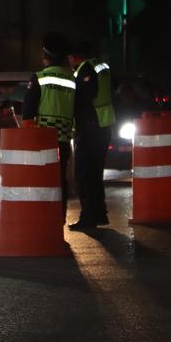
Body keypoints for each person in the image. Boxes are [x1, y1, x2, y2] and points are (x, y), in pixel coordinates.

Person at [22, 32, 76, 220]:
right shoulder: (72, 78)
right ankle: (59, 218)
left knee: (41, 180)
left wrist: (27, 140)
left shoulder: (39, 77)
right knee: (59, 178)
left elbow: (28, 112)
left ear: (45, 55)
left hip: (41, 139)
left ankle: (43, 219)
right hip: (63, 138)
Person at [67, 40, 115, 229]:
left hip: (90, 126)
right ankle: (99, 214)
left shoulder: (85, 69)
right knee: (95, 174)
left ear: (75, 56)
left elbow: (84, 98)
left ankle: (88, 218)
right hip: (104, 125)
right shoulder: (102, 66)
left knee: (84, 175)